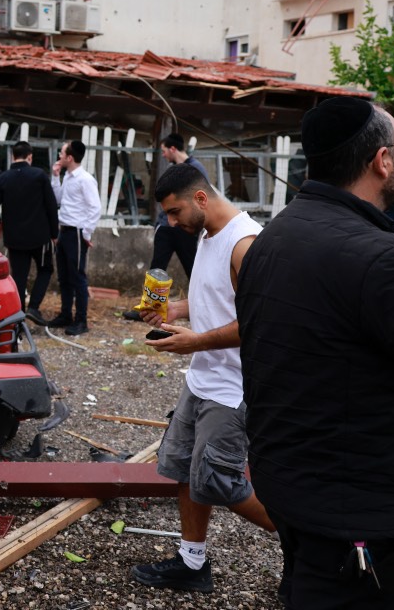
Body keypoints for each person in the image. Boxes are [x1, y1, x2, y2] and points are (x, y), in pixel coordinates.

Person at [236, 97, 394, 609]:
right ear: (382, 161)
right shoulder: (382, 261)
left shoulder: (274, 237)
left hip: (293, 486)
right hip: (355, 508)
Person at [129, 163, 275, 594]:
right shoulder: (208, 236)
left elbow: (260, 323)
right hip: (201, 379)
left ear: (200, 198)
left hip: (234, 388)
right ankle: (192, 563)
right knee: (184, 470)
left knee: (217, 479)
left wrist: (196, 343)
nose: (171, 223)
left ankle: (306, 536)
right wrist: (173, 311)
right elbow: (212, 299)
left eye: (174, 213)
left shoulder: (245, 244)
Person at [124, 133, 210, 322]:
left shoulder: (195, 169)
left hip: (185, 229)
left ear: (172, 149)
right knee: (157, 268)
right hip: (165, 228)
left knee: (194, 269)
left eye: (164, 151)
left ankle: (203, 306)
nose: (162, 155)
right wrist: (162, 222)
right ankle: (148, 308)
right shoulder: (174, 170)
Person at [0, 141, 60, 324]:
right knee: (45, 269)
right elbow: (51, 206)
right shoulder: (39, 176)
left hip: (15, 238)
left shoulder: (2, 178)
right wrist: (54, 233)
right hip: (39, 236)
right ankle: (34, 307)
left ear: (13, 156)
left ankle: (18, 320)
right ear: (30, 157)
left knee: (19, 277)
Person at [49, 140, 101, 336]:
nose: (60, 156)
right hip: (64, 231)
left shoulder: (85, 179)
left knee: (78, 277)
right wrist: (55, 177)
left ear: (70, 158)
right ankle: (65, 315)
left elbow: (94, 208)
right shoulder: (68, 177)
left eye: (62, 153)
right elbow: (60, 200)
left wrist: (86, 233)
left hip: (76, 232)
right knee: (64, 277)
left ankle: (81, 320)